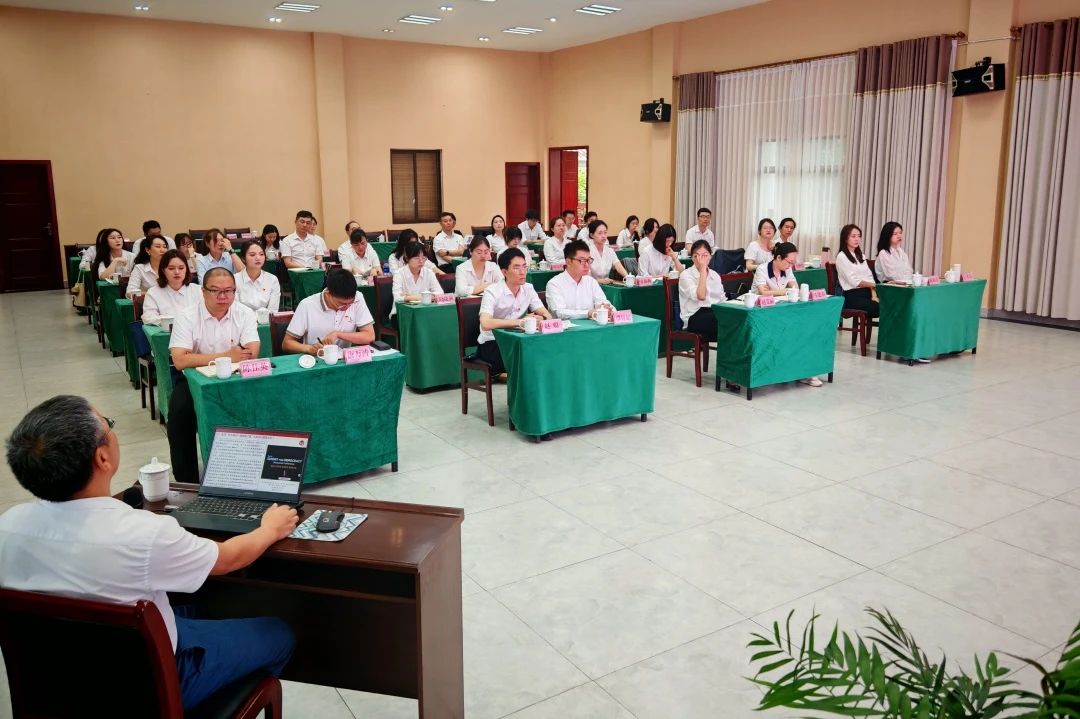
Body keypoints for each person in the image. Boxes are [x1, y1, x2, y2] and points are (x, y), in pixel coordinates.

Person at [0, 395, 298, 711]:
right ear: (102, 457)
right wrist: (270, 529)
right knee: (278, 633)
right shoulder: (144, 535)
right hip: (153, 685)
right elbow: (229, 559)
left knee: (200, 608)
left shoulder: (7, 527)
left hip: (55, 685)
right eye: (108, 425)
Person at [168, 268, 260, 484]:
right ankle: (187, 481)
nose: (223, 296)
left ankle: (251, 469)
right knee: (179, 414)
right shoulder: (186, 315)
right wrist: (227, 356)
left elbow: (251, 352)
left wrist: (208, 358)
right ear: (203, 291)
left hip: (236, 378)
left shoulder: (244, 313)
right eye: (216, 291)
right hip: (194, 379)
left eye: (229, 291)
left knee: (262, 403)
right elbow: (180, 360)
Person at [476, 248, 551, 374]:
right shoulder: (492, 291)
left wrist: (542, 318)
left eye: (524, 267)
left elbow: (546, 314)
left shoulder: (528, 288)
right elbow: (485, 323)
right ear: (504, 272)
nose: (522, 272)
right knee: (528, 358)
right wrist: (520, 322)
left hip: (517, 340)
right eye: (517, 268)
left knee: (544, 350)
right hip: (493, 343)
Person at [282, 268, 375, 355]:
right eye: (342, 303)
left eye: (350, 303)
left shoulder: (358, 298)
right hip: (316, 359)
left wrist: (338, 334)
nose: (347, 307)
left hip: (344, 360)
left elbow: (369, 336)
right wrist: (310, 349)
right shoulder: (307, 305)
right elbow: (286, 344)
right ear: (328, 294)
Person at [544, 239, 612, 320]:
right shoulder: (554, 284)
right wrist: (588, 313)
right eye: (582, 261)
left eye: (588, 260)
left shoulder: (591, 281)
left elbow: (602, 302)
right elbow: (560, 313)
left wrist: (606, 308)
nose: (587, 265)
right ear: (568, 262)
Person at [678, 239, 726, 341]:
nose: (701, 259)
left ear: (710, 256)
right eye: (697, 256)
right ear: (692, 258)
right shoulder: (686, 275)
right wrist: (703, 269)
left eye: (705, 255)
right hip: (694, 317)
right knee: (727, 325)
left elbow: (722, 300)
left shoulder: (715, 275)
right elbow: (701, 296)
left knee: (734, 319)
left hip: (715, 313)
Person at [143, 249, 200, 325]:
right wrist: (175, 321)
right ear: (163, 270)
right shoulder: (153, 293)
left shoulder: (198, 290)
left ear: (186, 269)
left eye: (181, 268)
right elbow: (148, 318)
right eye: (171, 268)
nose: (177, 272)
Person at [835, 224, 879, 318]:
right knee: (881, 308)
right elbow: (854, 282)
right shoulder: (841, 257)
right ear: (845, 238)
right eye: (853, 236)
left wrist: (874, 294)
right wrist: (874, 286)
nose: (857, 239)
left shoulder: (861, 255)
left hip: (868, 292)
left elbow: (869, 277)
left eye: (859, 236)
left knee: (891, 304)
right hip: (853, 296)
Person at [391, 241, 442, 313]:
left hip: (424, 311)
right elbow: (397, 298)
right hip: (402, 312)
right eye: (416, 258)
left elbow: (440, 293)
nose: (421, 261)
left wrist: (410, 296)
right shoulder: (399, 274)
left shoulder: (429, 272)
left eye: (423, 258)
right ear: (407, 258)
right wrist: (427, 296)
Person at [234, 240, 281, 312]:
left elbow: (273, 310)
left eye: (261, 254)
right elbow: (235, 309)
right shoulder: (235, 279)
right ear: (243, 259)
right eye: (252, 255)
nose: (258, 258)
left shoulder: (272, 279)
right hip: (241, 318)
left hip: (266, 318)